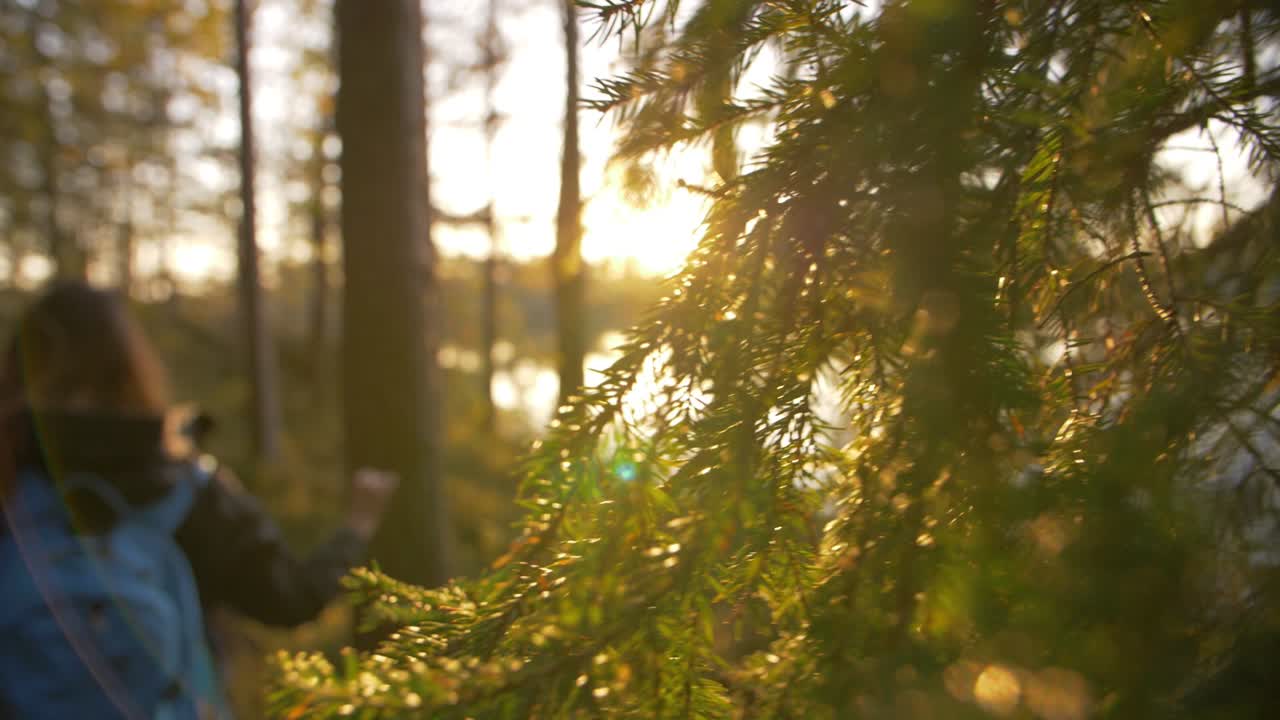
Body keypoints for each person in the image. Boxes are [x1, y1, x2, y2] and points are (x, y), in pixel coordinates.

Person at [0, 281, 398, 718]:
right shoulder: (185, 489)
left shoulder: (11, 485)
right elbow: (291, 599)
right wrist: (357, 526)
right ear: (133, 368)